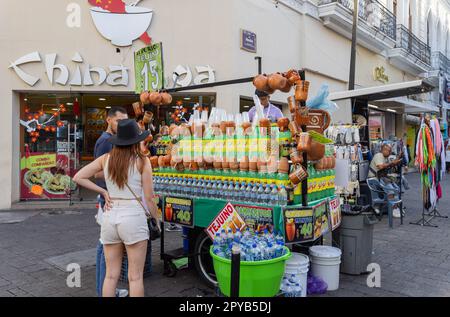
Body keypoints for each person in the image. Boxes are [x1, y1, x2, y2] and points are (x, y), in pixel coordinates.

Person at [74, 119, 159, 297]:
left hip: (110, 216)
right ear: (136, 140)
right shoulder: (143, 161)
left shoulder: (106, 159)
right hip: (134, 218)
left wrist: (103, 192)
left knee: (111, 276)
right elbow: (150, 198)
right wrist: (156, 220)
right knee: (135, 277)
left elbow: (78, 177)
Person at [93, 106, 129, 298]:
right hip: (108, 198)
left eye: (125, 121)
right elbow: (96, 172)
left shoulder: (113, 140)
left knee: (107, 247)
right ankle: (103, 290)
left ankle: (107, 289)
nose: (122, 125)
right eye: (119, 121)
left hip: (110, 198)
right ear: (108, 120)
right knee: (104, 248)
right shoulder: (105, 142)